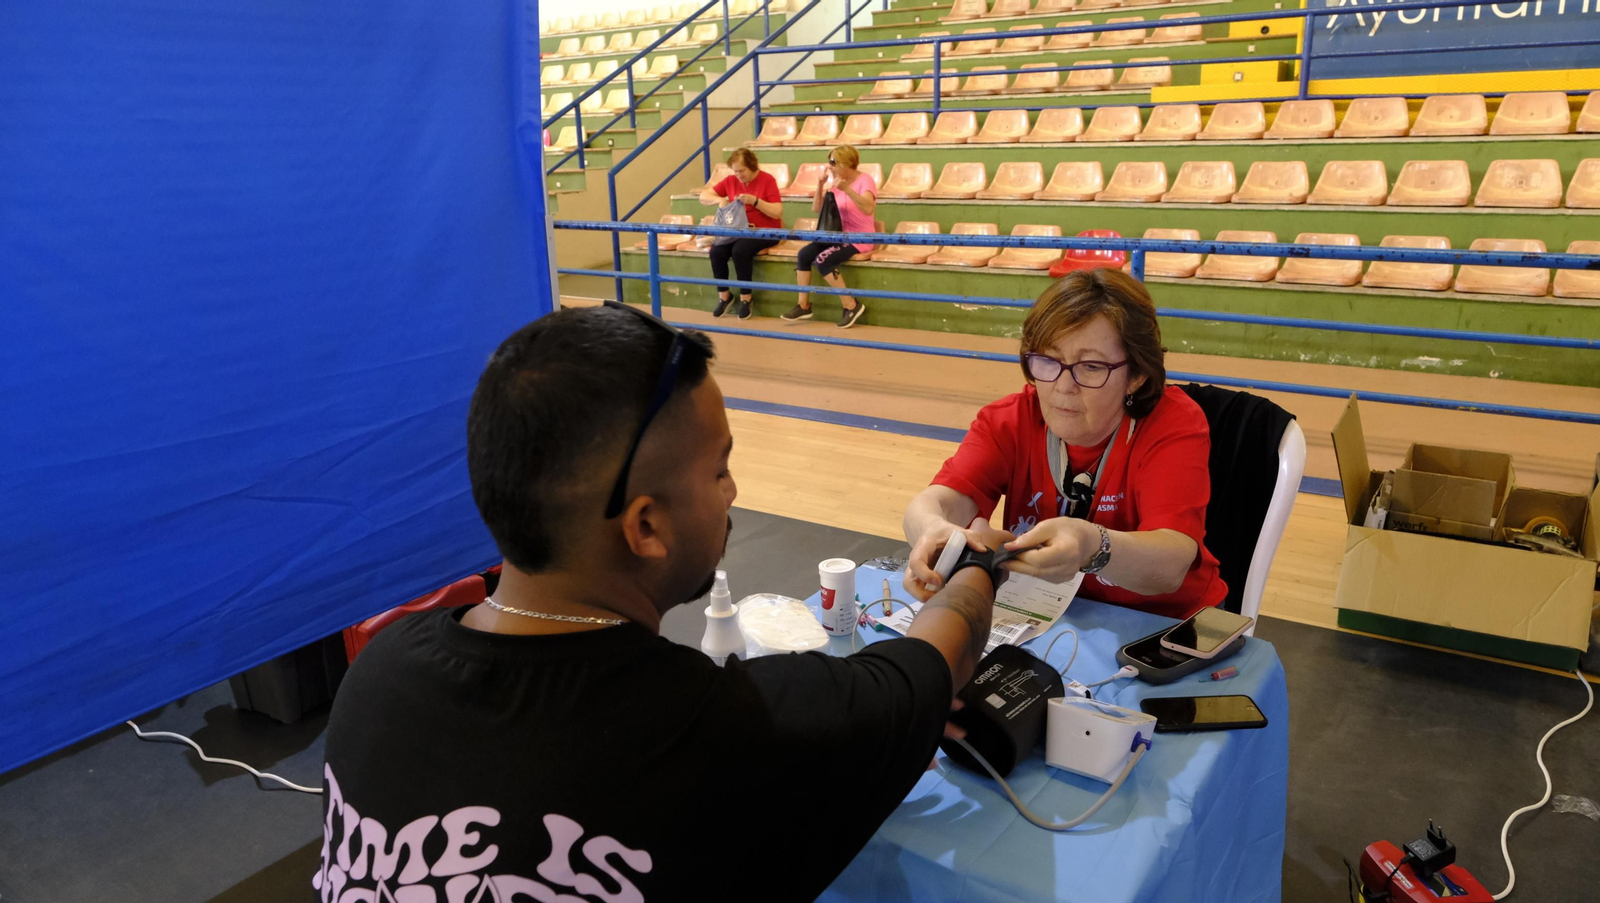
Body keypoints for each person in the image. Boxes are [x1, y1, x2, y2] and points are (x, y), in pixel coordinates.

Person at [317, 302, 1002, 902]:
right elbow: (942, 653)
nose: (733, 491)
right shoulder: (723, 731)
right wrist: (976, 558)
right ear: (645, 525)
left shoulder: (376, 677)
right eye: (720, 468)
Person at [902, 267, 1226, 622]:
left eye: (1090, 367)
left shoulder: (1172, 424)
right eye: (1048, 360)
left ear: (1137, 375)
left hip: (1167, 624)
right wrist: (931, 529)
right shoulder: (1010, 420)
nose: (1062, 386)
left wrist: (1092, 546)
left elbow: (1171, 565)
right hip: (1055, 614)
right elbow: (935, 503)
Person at [782, 144, 875, 329]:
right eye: (829, 162)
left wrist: (848, 189)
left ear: (846, 163)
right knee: (804, 254)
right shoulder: (835, 184)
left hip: (860, 238)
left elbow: (868, 208)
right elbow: (817, 209)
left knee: (823, 259)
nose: (830, 166)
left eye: (833, 162)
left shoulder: (865, 180)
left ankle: (851, 305)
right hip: (837, 236)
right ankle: (803, 305)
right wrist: (820, 185)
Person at [699, 147, 784, 320]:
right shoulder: (731, 180)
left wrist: (756, 201)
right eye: (736, 171)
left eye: (742, 171)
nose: (739, 175)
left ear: (752, 166)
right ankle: (724, 295)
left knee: (740, 250)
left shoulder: (767, 180)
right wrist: (720, 199)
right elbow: (703, 195)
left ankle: (746, 297)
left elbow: (777, 212)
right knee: (716, 251)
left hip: (764, 230)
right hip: (738, 230)